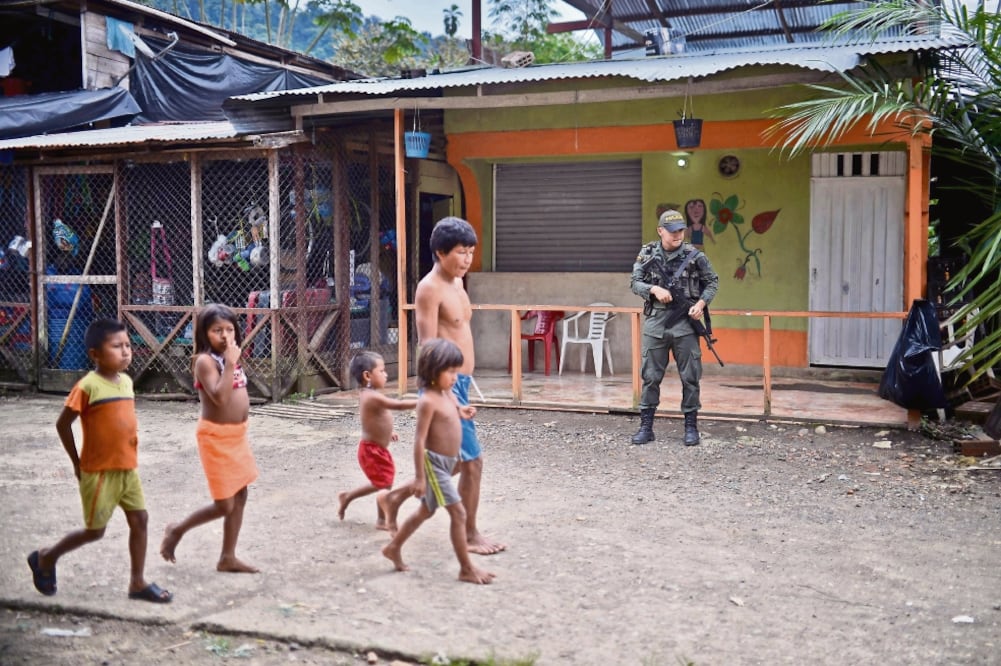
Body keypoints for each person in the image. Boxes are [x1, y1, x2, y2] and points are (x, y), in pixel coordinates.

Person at [27, 318, 172, 603]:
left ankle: (137, 582)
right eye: (117, 346)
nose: (126, 351)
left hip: (127, 469)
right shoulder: (87, 386)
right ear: (95, 354)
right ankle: (46, 557)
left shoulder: (127, 382)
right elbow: (63, 424)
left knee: (140, 520)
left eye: (128, 345)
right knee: (95, 531)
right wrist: (76, 463)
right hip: (100, 471)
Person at [413, 216, 505, 555]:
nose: (466, 260)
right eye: (460, 253)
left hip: (460, 383)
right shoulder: (429, 288)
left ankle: (394, 498)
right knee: (472, 462)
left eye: (470, 252)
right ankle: (470, 534)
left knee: (450, 462)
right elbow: (428, 345)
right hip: (443, 386)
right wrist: (446, 393)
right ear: (439, 252)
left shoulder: (457, 283)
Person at [381, 338, 496, 584]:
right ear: (432, 371)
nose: (455, 377)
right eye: (450, 371)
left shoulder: (447, 392)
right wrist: (420, 477)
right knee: (459, 513)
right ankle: (466, 568)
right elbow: (419, 441)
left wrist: (462, 411)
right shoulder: (427, 401)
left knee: (425, 511)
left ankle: (394, 546)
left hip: (448, 461)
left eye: (457, 371)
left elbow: (454, 407)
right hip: (434, 465)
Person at [160, 304, 260, 573]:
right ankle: (177, 530)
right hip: (215, 438)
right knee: (224, 503)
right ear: (205, 334)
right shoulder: (205, 361)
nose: (225, 336)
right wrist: (230, 362)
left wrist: (231, 361)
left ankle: (228, 557)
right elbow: (220, 396)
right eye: (217, 330)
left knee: (240, 494)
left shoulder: (229, 358)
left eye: (229, 329)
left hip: (236, 435)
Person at [630, 209, 719, 446]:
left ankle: (691, 427)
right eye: (672, 231)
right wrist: (653, 289)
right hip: (655, 324)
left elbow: (712, 281)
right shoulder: (647, 253)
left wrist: (700, 304)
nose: (678, 235)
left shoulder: (694, 255)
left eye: (681, 230)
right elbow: (634, 282)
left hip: (685, 325)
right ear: (660, 231)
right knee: (650, 377)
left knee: (690, 377)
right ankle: (646, 427)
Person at [337, 351, 417, 533]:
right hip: (371, 450)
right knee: (383, 483)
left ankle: (349, 498)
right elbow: (398, 405)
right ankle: (374, 514)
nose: (386, 374)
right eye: (382, 371)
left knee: (383, 483)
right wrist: (422, 401)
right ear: (367, 376)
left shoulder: (371, 394)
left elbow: (377, 419)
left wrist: (389, 432)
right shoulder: (370, 396)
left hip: (377, 448)